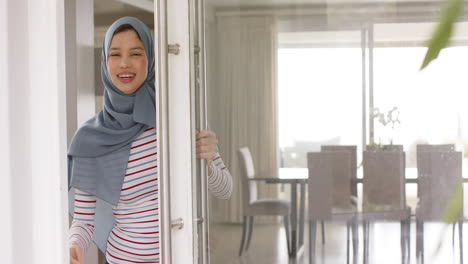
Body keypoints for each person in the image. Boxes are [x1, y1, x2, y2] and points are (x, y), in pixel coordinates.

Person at [68, 17, 232, 264]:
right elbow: (83, 221)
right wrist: (74, 245)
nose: (124, 64)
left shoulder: (179, 119)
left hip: (183, 256)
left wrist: (207, 163)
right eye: (115, 54)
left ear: (151, 59)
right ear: (105, 61)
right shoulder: (90, 140)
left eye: (135, 53)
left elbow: (225, 190)